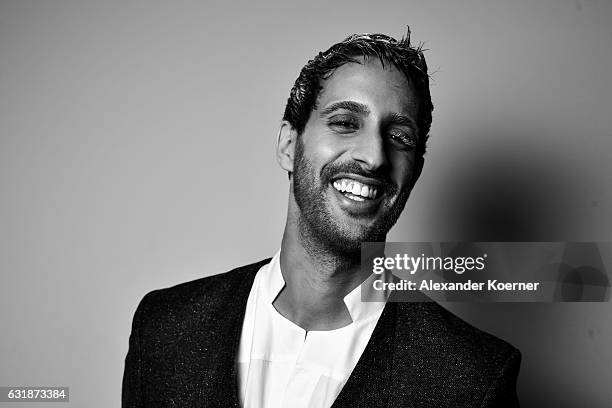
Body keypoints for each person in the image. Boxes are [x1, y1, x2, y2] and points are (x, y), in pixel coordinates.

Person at [122, 30, 521, 407]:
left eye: (400, 137)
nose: (374, 156)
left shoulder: (475, 380)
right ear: (288, 145)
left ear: (414, 171)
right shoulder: (164, 328)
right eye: (346, 123)